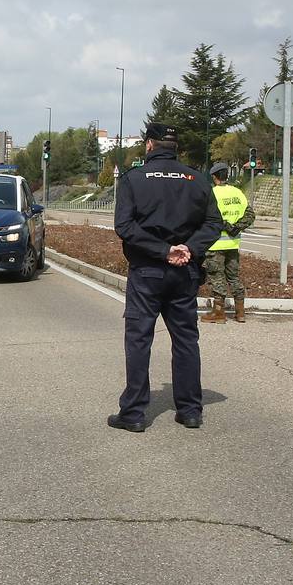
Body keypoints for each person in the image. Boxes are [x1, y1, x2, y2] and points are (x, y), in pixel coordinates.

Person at [108, 123, 223, 432]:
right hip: (185, 271)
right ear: (175, 148)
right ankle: (190, 411)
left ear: (149, 145)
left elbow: (125, 227)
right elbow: (214, 223)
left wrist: (162, 250)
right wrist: (189, 248)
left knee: (139, 340)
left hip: (147, 271)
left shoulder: (134, 179)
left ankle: (133, 414)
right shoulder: (197, 179)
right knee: (186, 340)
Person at [202, 161, 255, 324]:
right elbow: (250, 215)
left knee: (216, 277)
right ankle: (240, 312)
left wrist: (225, 225)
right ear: (227, 175)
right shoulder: (237, 193)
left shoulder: (211, 194)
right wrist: (236, 228)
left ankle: (218, 313)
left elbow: (208, 217)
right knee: (233, 277)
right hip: (233, 243)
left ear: (214, 177)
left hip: (215, 244)